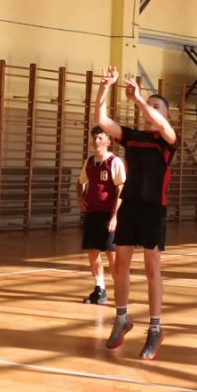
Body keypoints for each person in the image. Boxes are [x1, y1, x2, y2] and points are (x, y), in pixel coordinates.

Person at [94, 66, 178, 361]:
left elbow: (161, 124)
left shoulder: (168, 139)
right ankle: (122, 318)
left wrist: (140, 100)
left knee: (152, 268)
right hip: (130, 205)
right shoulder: (131, 136)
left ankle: (155, 328)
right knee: (121, 266)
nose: (150, 109)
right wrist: (105, 87)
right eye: (148, 105)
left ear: (164, 115)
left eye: (156, 106)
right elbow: (101, 120)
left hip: (154, 208)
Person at [75, 125, 125, 304]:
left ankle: (119, 290)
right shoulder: (89, 162)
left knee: (111, 253)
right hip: (92, 212)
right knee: (92, 251)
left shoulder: (114, 162)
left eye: (100, 138)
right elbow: (80, 182)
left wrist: (115, 217)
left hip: (109, 213)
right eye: (94, 138)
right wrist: (80, 198)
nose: (96, 141)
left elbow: (121, 189)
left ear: (108, 141)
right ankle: (100, 289)